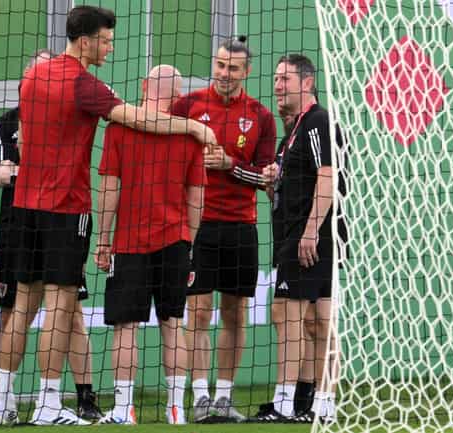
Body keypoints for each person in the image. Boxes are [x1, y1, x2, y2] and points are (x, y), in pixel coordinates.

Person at [0, 5, 217, 426]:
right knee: (59, 307)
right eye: (106, 41)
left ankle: (2, 402)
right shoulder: (84, 84)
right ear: (85, 40)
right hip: (65, 209)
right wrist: (195, 128)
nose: (110, 48)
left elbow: (32, 136)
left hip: (25, 207)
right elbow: (140, 119)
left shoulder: (33, 77)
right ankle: (48, 404)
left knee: (22, 306)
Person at [0, 49, 101, 422]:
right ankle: (10, 398)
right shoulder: (8, 123)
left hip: (51, 218)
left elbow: (16, 170)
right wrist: (36, 173)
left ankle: (83, 397)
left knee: (68, 310)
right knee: (19, 309)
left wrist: (26, 171)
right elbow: (1, 173)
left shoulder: (64, 115)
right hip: (23, 223)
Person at [171, 36, 276, 422]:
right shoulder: (188, 106)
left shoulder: (261, 116)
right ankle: (200, 397)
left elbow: (265, 179)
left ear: (246, 72)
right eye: (219, 65)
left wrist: (229, 164)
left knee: (234, 315)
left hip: (241, 226)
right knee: (198, 313)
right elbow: (168, 158)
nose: (224, 73)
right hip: (199, 226)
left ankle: (224, 398)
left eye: (232, 68)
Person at [94, 65, 206, 425]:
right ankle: (176, 410)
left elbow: (109, 187)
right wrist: (189, 242)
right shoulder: (189, 135)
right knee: (173, 324)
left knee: (126, 327)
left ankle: (123, 409)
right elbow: (197, 197)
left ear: (143, 86)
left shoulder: (118, 128)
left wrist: (103, 239)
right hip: (175, 241)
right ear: (177, 96)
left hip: (129, 243)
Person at [255, 54, 346, 422]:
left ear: (307, 83)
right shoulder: (291, 134)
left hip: (313, 237)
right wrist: (270, 183)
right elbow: (285, 194)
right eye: (276, 78)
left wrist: (310, 232)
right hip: (295, 236)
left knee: (299, 317)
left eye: (285, 79)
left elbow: (328, 175)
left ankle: (286, 404)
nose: (277, 85)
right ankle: (314, 404)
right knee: (312, 321)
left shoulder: (318, 121)